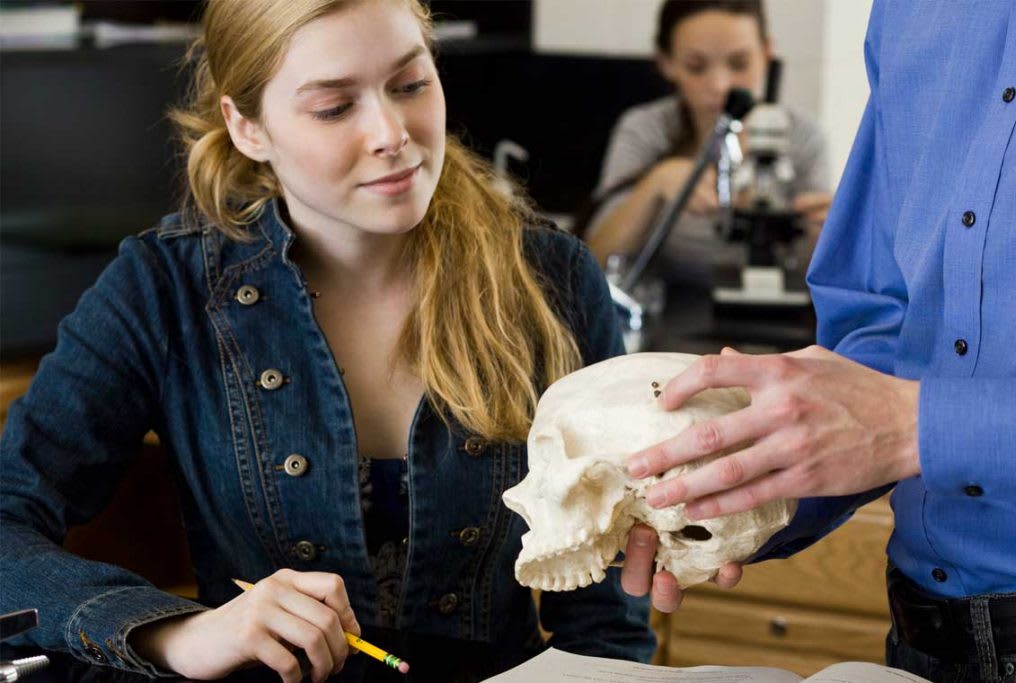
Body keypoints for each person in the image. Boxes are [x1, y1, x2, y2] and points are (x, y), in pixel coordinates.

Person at [0, 1, 655, 681]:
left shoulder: (553, 279)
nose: (392, 133)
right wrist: (179, 633)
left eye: (409, 85)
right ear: (247, 127)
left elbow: (609, 619)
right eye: (335, 107)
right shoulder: (163, 285)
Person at [618, 1, 1016, 681]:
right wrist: (745, 480)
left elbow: (899, 417)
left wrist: (916, 428)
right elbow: (886, 320)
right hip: (924, 644)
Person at [584, 0, 833, 287]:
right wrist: (655, 185)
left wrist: (833, 239)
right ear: (667, 63)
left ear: (766, 53)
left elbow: (824, 272)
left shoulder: (804, 137)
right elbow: (594, 259)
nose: (720, 85)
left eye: (739, 64)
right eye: (696, 67)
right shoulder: (646, 130)